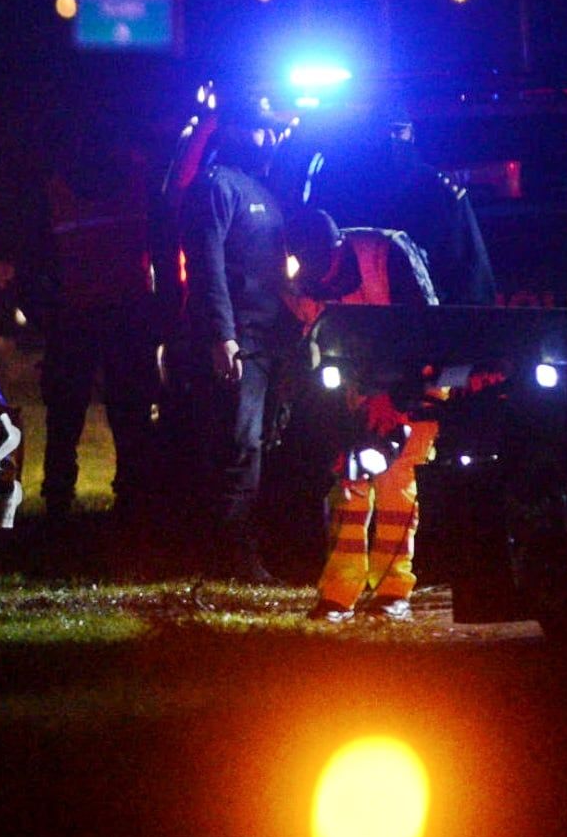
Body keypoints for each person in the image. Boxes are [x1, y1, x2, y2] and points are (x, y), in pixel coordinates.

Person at [284, 206, 441, 621]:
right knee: (350, 484)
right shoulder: (303, 279)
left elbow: (426, 329)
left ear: (336, 247)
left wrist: (396, 395)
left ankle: (393, 592)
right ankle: (339, 593)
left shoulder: (386, 253)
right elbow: (312, 343)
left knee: (395, 484)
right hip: (356, 388)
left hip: (413, 384)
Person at [176, 97, 297, 582]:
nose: (269, 139)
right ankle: (229, 556)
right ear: (235, 131)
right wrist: (222, 336)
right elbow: (207, 268)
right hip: (239, 341)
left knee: (259, 444)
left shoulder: (265, 192)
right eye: (260, 130)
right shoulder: (215, 187)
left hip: (269, 341)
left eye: (272, 131)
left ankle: (243, 548)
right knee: (237, 446)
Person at [29, 125, 160, 524]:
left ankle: (58, 500)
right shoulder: (138, 180)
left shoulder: (56, 187)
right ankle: (129, 498)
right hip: (124, 314)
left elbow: (37, 261)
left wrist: (47, 316)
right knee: (129, 411)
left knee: (67, 415)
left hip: (76, 316)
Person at [304, 104, 495, 305]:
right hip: (363, 313)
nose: (390, 140)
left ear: (411, 135)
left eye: (398, 131)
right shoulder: (344, 189)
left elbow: (469, 264)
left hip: (428, 313)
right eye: (382, 133)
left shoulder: (439, 189)